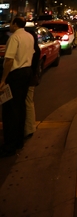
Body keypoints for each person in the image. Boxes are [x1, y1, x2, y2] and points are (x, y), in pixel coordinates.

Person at [0, 17, 34, 157]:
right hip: (27, 72)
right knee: (20, 107)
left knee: (9, 110)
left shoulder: (15, 37)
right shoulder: (29, 36)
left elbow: (9, 60)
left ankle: (10, 146)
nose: (10, 26)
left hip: (15, 75)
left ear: (15, 24)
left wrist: (3, 79)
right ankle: (19, 140)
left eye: (11, 23)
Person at [24, 28, 41, 139]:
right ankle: (29, 127)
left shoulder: (33, 50)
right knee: (28, 102)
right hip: (32, 77)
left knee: (28, 102)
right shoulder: (36, 49)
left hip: (29, 78)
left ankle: (29, 128)